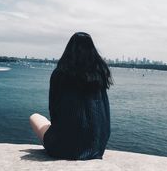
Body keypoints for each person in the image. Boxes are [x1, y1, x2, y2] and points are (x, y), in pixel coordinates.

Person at [29, 32, 113, 160]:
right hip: (97, 148)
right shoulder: (100, 75)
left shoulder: (60, 74)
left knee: (34, 117)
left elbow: (54, 111)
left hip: (63, 148)